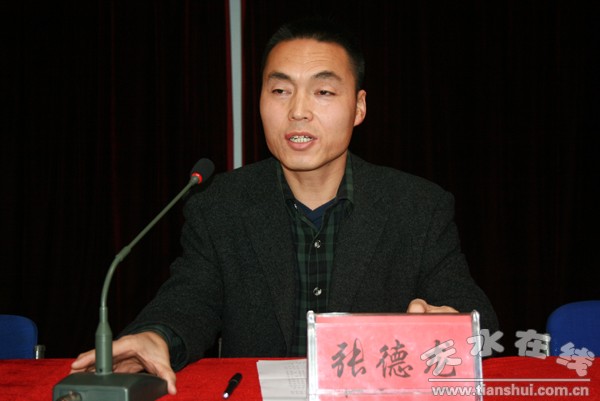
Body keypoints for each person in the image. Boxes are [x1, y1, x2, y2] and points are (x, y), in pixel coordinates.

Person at [71, 16, 498, 395]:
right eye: (280, 90)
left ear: (359, 107)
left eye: (323, 91)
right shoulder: (220, 205)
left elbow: (481, 325)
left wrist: (448, 324)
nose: (298, 111)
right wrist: (156, 337)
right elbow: (189, 299)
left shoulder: (417, 207)